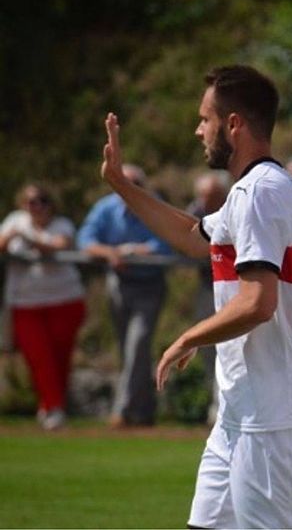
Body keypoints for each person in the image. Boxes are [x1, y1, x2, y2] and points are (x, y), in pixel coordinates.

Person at [98, 65, 292, 528]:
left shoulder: (261, 192)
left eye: (206, 119)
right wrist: (122, 184)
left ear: (234, 124)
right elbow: (193, 236)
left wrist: (188, 337)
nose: (199, 129)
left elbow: (259, 302)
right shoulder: (253, 191)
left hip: (271, 411)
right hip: (244, 406)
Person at [77, 163, 172, 428]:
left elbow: (169, 242)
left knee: (137, 345)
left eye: (135, 185)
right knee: (129, 351)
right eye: (123, 184)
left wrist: (136, 251)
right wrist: (110, 253)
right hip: (118, 285)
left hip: (150, 286)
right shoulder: (106, 208)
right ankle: (143, 411)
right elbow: (85, 239)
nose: (129, 190)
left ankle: (121, 410)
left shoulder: (156, 206)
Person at [0, 184, 86, 431]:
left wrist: (28, 238)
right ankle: (53, 407)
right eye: (30, 202)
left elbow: (60, 245)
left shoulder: (62, 225)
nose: (35, 206)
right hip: (25, 303)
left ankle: (52, 406)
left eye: (41, 201)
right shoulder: (14, 221)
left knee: (60, 357)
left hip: (64, 300)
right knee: (39, 357)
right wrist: (11, 236)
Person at [186, 170, 231, 424]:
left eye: (211, 196)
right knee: (208, 350)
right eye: (202, 196)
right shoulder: (195, 211)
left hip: (236, 290)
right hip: (209, 287)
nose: (205, 201)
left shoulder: (235, 207)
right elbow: (188, 243)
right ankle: (216, 405)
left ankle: (222, 407)